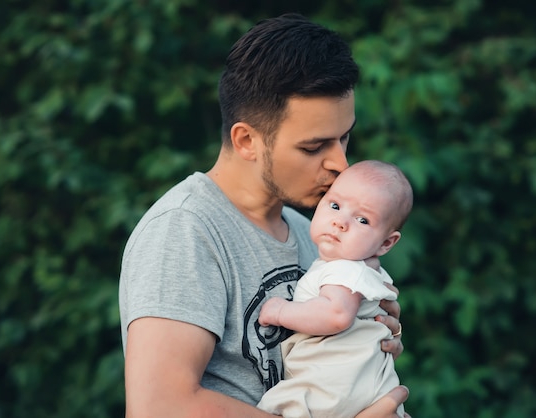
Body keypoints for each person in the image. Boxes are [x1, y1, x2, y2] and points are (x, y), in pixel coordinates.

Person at [119, 13, 410, 418]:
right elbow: (159, 406)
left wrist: (367, 337)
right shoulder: (185, 231)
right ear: (247, 140)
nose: (341, 164)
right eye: (314, 147)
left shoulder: (314, 235)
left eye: (345, 137)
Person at [257, 160, 412, 418]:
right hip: (362, 389)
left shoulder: (345, 269)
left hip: (332, 390)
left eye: (362, 219)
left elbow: (335, 315)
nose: (340, 222)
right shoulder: (364, 270)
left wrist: (280, 311)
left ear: (386, 243)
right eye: (335, 206)